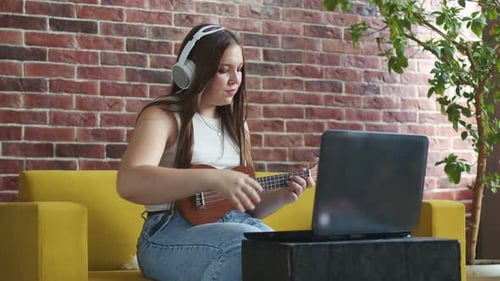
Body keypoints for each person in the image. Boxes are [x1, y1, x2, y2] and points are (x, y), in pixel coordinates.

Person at [116, 23, 314, 281]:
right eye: (223, 70)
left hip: (232, 226)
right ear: (191, 70)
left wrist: (283, 196)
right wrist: (213, 178)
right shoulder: (163, 116)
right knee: (243, 249)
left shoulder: (237, 125)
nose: (235, 80)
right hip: (168, 233)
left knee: (289, 256)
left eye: (240, 69)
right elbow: (129, 182)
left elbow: (243, 210)